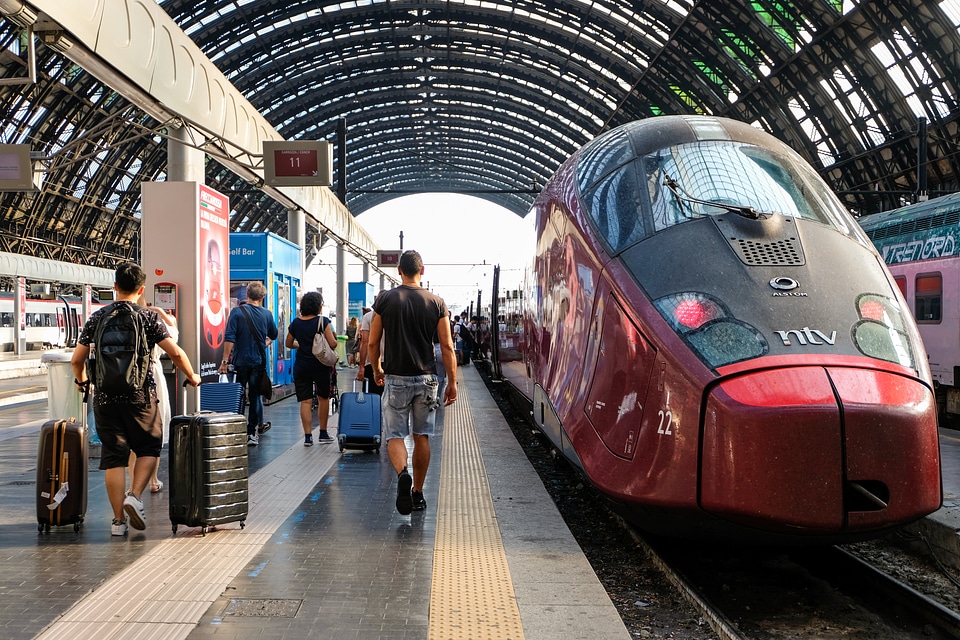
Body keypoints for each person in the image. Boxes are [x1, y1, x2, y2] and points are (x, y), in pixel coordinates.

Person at [70, 262, 201, 537]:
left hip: (105, 397)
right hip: (141, 396)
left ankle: (118, 522)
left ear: (114, 287)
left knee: (114, 458)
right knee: (149, 448)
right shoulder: (148, 318)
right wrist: (193, 375)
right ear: (141, 289)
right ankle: (135, 495)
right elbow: (175, 353)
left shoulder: (97, 318)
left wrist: (83, 381)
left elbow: (77, 360)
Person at [368, 250, 457, 515]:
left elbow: (372, 342)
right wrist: (452, 381)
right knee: (422, 436)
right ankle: (417, 493)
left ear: (399, 270)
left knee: (395, 436)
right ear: (423, 270)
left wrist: (376, 369)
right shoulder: (437, 302)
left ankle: (402, 473)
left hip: (395, 378)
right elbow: (447, 346)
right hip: (428, 379)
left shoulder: (384, 300)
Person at [127, 295, 178, 494]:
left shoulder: (120, 323)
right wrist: (162, 313)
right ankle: (154, 480)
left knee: (132, 438)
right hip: (152, 379)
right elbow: (174, 334)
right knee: (153, 433)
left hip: (128, 380)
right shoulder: (152, 322)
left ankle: (133, 486)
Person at [218, 281, 278, 447]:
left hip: (240, 361)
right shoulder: (267, 314)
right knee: (255, 396)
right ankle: (252, 433)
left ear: (247, 295)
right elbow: (273, 334)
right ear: (263, 297)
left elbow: (229, 338)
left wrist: (224, 361)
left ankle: (236, 429)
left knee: (238, 396)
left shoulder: (237, 312)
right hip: (257, 361)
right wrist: (264, 344)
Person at [286, 291, 338, 446]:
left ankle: (308, 437)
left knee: (306, 401)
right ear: (318, 306)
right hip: (320, 365)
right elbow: (333, 344)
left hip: (302, 365)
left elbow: (289, 343)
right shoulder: (323, 321)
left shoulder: (296, 323)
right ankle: (323, 433)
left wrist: (301, 345)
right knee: (323, 398)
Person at [355, 303, 384, 395]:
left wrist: (362, 366)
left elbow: (365, 342)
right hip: (393, 363)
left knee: (371, 397)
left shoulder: (368, 316)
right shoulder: (396, 314)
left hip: (371, 361)